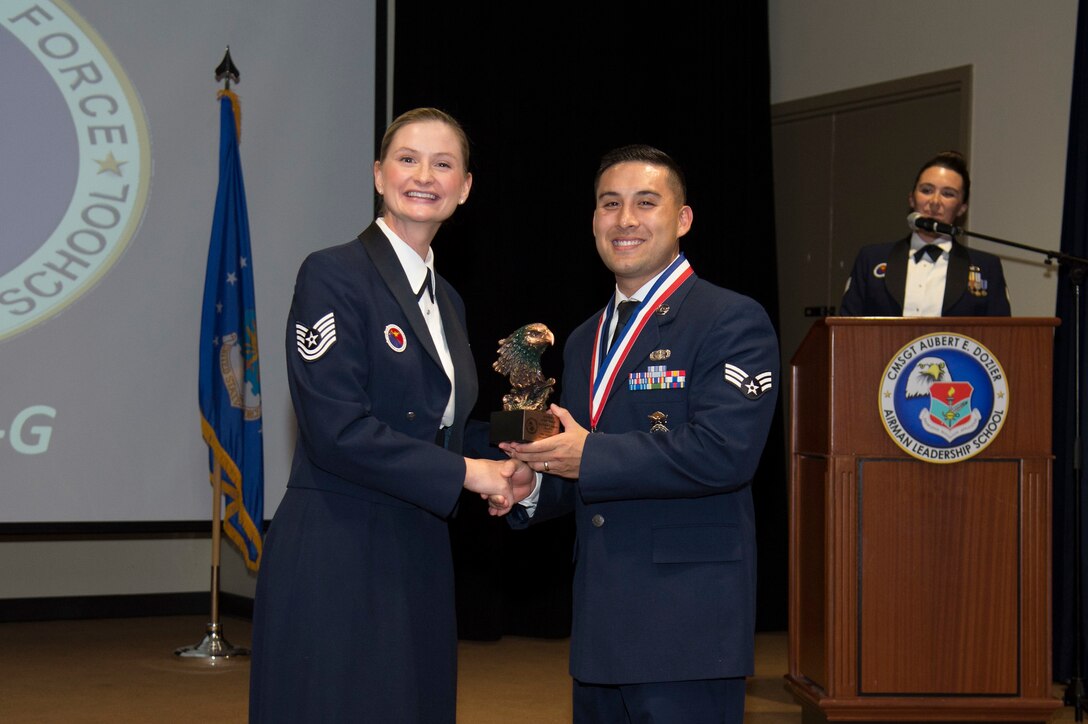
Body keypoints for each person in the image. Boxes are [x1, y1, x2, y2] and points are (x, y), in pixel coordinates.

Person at [248, 107, 532, 723]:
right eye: (407, 159)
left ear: (465, 188)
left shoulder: (447, 298)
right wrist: (469, 474)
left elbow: (445, 425)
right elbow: (337, 429)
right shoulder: (333, 274)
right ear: (379, 175)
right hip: (338, 544)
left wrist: (530, 446)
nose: (423, 175)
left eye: (443, 163)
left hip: (418, 546)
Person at [500, 144, 780, 723]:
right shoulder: (582, 339)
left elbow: (724, 454)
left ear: (682, 220)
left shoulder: (732, 319)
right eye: (610, 204)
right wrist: (531, 484)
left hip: (687, 628)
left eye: (645, 203)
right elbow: (581, 467)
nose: (625, 219)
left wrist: (588, 455)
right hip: (600, 625)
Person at [838, 150, 1011, 316]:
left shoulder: (987, 267)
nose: (935, 202)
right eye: (926, 190)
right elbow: (846, 330)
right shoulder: (871, 259)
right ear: (912, 199)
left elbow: (1002, 338)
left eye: (948, 194)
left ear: (962, 208)